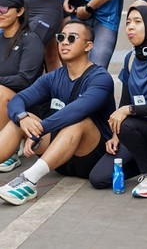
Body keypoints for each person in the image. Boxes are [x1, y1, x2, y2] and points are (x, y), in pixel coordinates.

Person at [0, 20, 115, 206]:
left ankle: (28, 181)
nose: (65, 42)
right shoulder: (53, 77)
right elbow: (17, 100)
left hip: (91, 157)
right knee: (21, 120)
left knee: (78, 121)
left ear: (88, 46)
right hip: (58, 157)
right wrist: (23, 118)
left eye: (72, 38)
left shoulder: (100, 78)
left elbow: (78, 110)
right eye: (61, 37)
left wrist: (40, 130)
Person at [89, 5, 147, 198]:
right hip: (135, 132)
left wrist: (127, 111)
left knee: (127, 123)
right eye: (128, 22)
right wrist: (116, 135)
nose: (130, 27)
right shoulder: (131, 58)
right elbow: (125, 100)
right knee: (99, 178)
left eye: (138, 22)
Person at [0, 0, 45, 172]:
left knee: (1, 92)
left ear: (20, 11)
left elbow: (25, 80)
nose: (0, 13)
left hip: (27, 106)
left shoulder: (31, 39)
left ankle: (10, 151)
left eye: (4, 8)